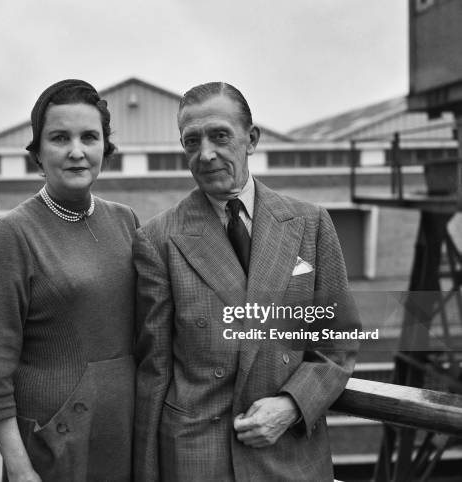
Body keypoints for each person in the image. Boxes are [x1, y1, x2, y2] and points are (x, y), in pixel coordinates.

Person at [133, 82, 361, 481]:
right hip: (198, 459)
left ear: (251, 139)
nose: (205, 154)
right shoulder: (157, 240)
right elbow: (155, 371)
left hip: (288, 455)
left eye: (220, 136)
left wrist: (292, 405)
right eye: (191, 142)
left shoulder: (311, 224)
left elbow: (338, 344)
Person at [0, 79, 137, 482]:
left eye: (89, 137)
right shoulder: (12, 234)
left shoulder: (125, 220)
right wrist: (21, 469)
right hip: (55, 447)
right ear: (38, 154)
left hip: (124, 435)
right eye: (60, 138)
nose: (77, 151)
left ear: (105, 149)